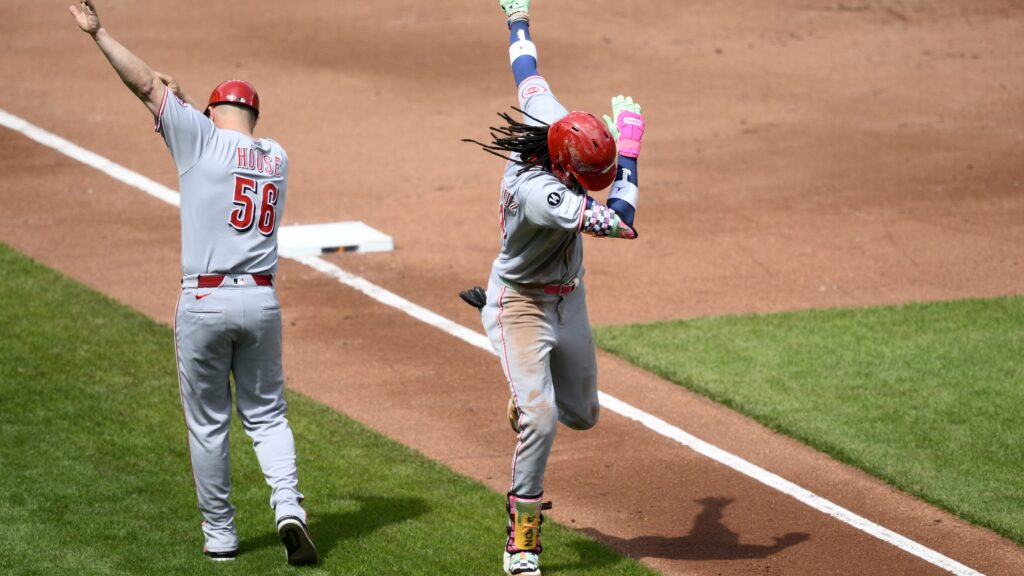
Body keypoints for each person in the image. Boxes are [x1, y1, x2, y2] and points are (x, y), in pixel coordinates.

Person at [68, 0, 317, 565]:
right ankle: (289, 507)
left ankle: (222, 535)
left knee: (209, 426)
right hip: (262, 301)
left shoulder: (199, 140)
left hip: (204, 301)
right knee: (268, 415)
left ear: (208, 110)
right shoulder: (276, 156)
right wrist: (182, 105)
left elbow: (142, 87)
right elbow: (207, 127)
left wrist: (99, 33)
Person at [461, 1, 647, 574]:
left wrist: (518, 18)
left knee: (583, 414)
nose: (595, 186)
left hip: (571, 298)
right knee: (541, 420)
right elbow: (621, 222)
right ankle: (521, 543)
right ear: (565, 166)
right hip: (522, 303)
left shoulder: (552, 120)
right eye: (590, 178)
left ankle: (526, 395)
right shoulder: (541, 194)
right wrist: (634, 154)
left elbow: (527, 72)